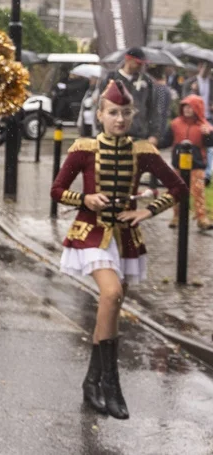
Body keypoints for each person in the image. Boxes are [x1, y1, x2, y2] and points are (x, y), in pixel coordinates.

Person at [51, 80, 185, 419]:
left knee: (111, 307)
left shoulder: (143, 152)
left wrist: (147, 211)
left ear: (133, 114)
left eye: (126, 113)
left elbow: (177, 187)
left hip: (125, 239)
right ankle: (113, 383)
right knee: (111, 295)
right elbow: (56, 190)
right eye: (113, 113)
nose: (120, 119)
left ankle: (92, 382)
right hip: (92, 234)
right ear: (100, 115)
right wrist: (85, 199)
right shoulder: (84, 148)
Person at [169, 95, 213, 231]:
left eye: (191, 107)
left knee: (198, 191)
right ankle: (176, 216)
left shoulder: (204, 126)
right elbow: (167, 139)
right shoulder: (175, 124)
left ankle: (201, 218)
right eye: (185, 107)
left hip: (197, 164)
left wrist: (208, 135)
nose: (187, 110)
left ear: (197, 109)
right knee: (177, 191)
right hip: (178, 164)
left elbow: (210, 144)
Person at [98, 48, 160, 144]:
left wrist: (154, 134)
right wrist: (100, 128)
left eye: (142, 63)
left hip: (139, 134)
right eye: (138, 63)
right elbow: (100, 105)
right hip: (113, 133)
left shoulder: (147, 81)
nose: (140, 66)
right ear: (128, 60)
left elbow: (153, 108)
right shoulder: (111, 78)